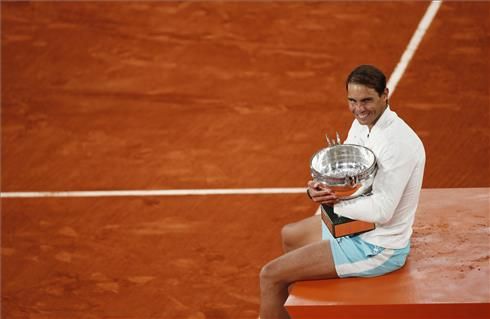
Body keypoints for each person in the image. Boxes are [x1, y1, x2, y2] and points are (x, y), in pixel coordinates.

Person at [259, 64, 426, 319]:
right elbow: (345, 175)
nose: (359, 109)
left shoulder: (397, 144)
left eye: (367, 100)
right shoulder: (363, 124)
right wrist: (318, 187)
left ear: (385, 95)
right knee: (290, 235)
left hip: (379, 246)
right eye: (353, 101)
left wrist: (334, 202)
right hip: (357, 226)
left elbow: (383, 210)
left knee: (271, 275)